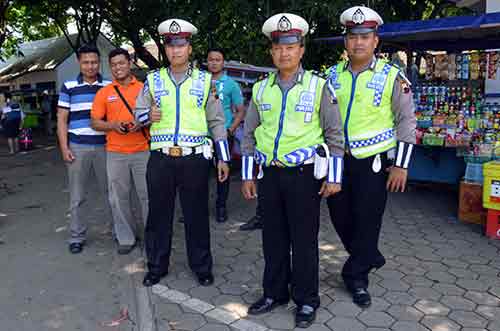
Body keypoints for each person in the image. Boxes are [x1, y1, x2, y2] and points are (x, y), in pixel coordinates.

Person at [241, 13, 344, 328]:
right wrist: (247, 174)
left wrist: (335, 177)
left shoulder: (319, 86)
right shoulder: (261, 90)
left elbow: (335, 135)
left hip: (303, 175)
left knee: (303, 241)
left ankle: (306, 301)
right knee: (272, 238)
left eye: (291, 46)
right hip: (269, 175)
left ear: (301, 50)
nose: (284, 53)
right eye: (278, 48)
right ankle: (274, 293)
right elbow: (249, 134)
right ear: (272, 52)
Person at [325, 6, 416, 308]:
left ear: (375, 41)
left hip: (374, 162)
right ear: (346, 41)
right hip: (337, 160)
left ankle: (357, 276)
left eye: (365, 36)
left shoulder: (393, 77)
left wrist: (400, 165)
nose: (358, 42)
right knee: (339, 214)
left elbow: (406, 121)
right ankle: (369, 255)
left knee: (367, 219)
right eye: (353, 36)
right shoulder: (330, 76)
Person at [135, 18, 230, 287]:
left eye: (181, 45)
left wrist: (222, 157)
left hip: (194, 158)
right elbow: (138, 113)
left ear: (189, 48)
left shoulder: (204, 81)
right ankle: (156, 267)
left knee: (196, 214)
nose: (176, 51)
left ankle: (202, 266)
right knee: (158, 215)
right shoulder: (153, 80)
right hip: (161, 158)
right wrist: (147, 116)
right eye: (170, 46)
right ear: (165, 50)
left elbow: (216, 121)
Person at [91, 48, 149, 255]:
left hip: (143, 151)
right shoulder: (104, 93)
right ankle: (126, 238)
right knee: (118, 198)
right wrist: (114, 125)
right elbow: (95, 122)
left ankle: (152, 236)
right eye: (114, 64)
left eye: (121, 63)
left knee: (148, 196)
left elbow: (155, 116)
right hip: (115, 153)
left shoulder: (144, 89)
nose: (118, 67)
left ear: (130, 63)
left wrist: (140, 124)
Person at [57, 44, 112, 254]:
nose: (90, 66)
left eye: (94, 62)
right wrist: (64, 147)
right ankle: (76, 236)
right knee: (77, 195)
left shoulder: (108, 86)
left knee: (111, 193)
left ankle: (119, 232)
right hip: (77, 147)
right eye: (86, 62)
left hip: (106, 147)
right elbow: (62, 119)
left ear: (99, 63)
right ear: (79, 63)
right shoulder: (69, 86)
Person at [207, 47, 246, 223]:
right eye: (211, 59)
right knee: (197, 174)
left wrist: (231, 129)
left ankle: (221, 207)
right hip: (202, 136)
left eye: (218, 59)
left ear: (223, 62)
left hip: (223, 135)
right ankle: (196, 207)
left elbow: (240, 111)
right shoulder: (200, 82)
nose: (214, 62)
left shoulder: (231, 84)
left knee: (222, 172)